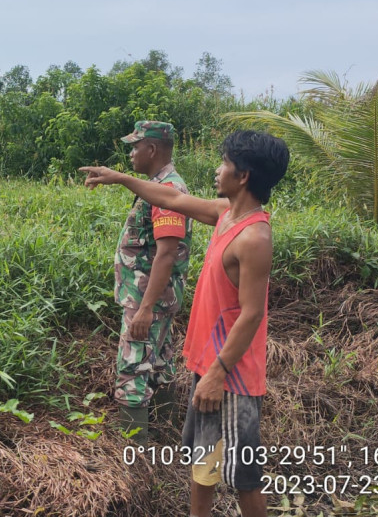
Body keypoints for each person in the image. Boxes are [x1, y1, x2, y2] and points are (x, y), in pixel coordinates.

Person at [81, 130, 289, 517]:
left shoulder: (254, 236)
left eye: (224, 163)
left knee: (243, 476)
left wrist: (218, 374)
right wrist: (121, 177)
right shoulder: (225, 215)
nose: (217, 169)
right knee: (203, 459)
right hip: (208, 364)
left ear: (243, 175)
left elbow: (252, 313)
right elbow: (172, 198)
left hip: (232, 375)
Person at [110, 121, 192, 446]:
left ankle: (132, 456)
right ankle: (166, 437)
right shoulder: (159, 186)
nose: (131, 154)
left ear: (152, 150)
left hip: (149, 302)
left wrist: (144, 310)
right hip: (153, 300)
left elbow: (167, 253)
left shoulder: (168, 191)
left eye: (135, 147)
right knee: (159, 363)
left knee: (132, 371)